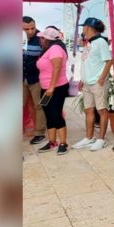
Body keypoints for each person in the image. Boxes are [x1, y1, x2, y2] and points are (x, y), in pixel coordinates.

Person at [72, 17, 113, 151]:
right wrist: (82, 80)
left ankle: (101, 139)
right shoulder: (89, 43)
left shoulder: (101, 42)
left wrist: (101, 79)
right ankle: (89, 137)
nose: (83, 30)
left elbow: (108, 61)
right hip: (87, 83)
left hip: (97, 82)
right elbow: (87, 62)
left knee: (102, 110)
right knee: (88, 109)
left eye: (84, 27)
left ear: (89, 28)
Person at [35, 27, 70, 155]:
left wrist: (51, 87)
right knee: (48, 114)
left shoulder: (55, 49)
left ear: (48, 39)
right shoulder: (48, 49)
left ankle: (63, 143)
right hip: (45, 87)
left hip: (56, 88)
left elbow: (57, 68)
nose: (40, 39)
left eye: (42, 37)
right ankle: (52, 142)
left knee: (56, 114)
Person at [23, 16, 47, 145]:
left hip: (37, 78)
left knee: (39, 106)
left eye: (33, 28)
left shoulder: (41, 38)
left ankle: (40, 133)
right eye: (26, 29)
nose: (31, 31)